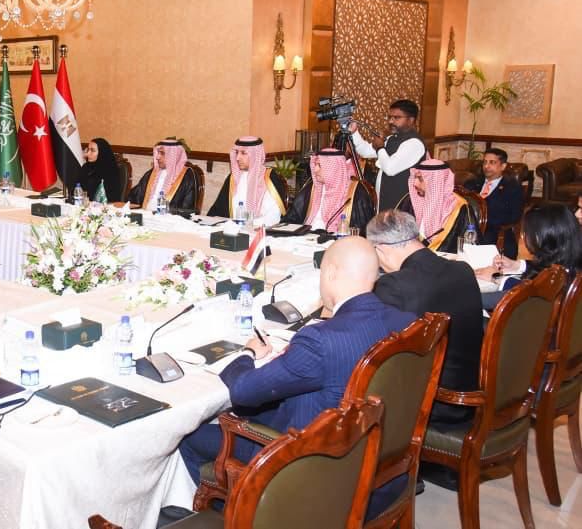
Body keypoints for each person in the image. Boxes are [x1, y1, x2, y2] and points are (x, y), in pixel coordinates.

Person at [178, 237, 415, 514]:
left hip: (317, 472)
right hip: (381, 464)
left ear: (331, 273)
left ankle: (243, 516)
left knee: (186, 436)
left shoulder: (320, 341)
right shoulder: (406, 321)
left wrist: (246, 354)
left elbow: (242, 391)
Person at [367, 210, 483, 427]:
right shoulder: (463, 270)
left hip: (430, 403)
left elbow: (374, 351)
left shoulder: (393, 286)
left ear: (379, 249)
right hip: (470, 390)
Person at [474, 202, 582, 309]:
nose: (577, 214)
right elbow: (547, 265)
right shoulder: (571, 257)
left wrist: (497, 277)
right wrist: (518, 265)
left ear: (540, 237)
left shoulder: (557, 278)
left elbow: (531, 294)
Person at [350, 99, 426, 212]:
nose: (391, 121)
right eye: (389, 117)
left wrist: (380, 148)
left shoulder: (415, 143)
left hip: (401, 205)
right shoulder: (391, 139)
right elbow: (365, 151)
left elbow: (390, 169)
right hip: (383, 200)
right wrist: (354, 132)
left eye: (396, 118)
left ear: (411, 120)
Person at [283, 148, 375, 234]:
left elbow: (361, 230)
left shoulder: (356, 192)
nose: (315, 169)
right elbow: (292, 217)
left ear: (333, 169)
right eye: (315, 165)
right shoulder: (312, 188)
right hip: (306, 237)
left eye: (320, 165)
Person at [397, 159, 477, 252]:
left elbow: (470, 245)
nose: (415, 183)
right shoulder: (410, 201)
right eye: (415, 178)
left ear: (435, 181)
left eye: (420, 179)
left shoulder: (459, 208)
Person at [207, 137, 286, 227]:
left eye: (243, 153)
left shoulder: (268, 178)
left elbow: (273, 217)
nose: (237, 158)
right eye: (237, 152)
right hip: (233, 230)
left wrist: (247, 224)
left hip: (260, 230)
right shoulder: (233, 178)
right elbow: (218, 211)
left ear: (255, 155)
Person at [463, 148, 524, 258]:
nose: (486, 166)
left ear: (503, 166)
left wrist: (484, 219)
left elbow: (514, 216)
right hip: (468, 228)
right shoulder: (472, 183)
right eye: (485, 162)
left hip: (494, 232)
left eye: (492, 162)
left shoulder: (512, 188)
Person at [126, 139, 199, 213]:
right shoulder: (151, 173)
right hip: (144, 215)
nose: (157, 157)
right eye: (158, 153)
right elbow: (134, 196)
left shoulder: (187, 176)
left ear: (174, 156)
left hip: (169, 218)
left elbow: (187, 208)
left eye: (162, 153)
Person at [78, 138, 121, 203]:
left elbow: (109, 196)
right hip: (82, 204)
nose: (88, 153)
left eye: (92, 150)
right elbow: (76, 187)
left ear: (102, 152)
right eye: (88, 150)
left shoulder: (110, 170)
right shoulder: (86, 167)